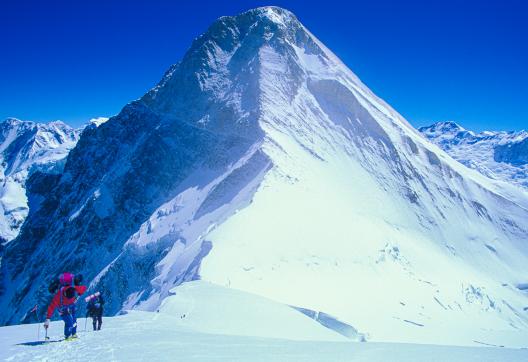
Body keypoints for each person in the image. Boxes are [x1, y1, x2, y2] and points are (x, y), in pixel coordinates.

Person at [43, 273, 87, 340]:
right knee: (69, 321)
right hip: (64, 311)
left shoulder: (71, 289)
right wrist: (48, 318)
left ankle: (74, 333)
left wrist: (48, 318)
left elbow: (83, 288)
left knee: (74, 320)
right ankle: (68, 335)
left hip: (70, 308)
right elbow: (51, 307)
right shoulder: (59, 295)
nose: (70, 297)